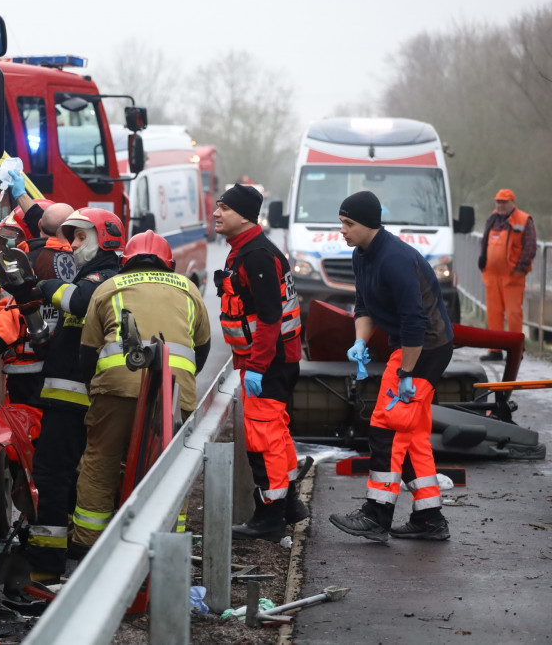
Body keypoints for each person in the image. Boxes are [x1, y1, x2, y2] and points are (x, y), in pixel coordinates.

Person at [71, 230, 211, 551]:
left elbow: (87, 352)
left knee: (101, 460)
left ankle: (87, 546)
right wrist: (182, 381)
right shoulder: (189, 289)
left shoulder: (107, 287)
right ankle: (169, 546)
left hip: (116, 389)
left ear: (125, 261)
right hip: (175, 395)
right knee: (172, 469)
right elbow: (202, 349)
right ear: (169, 263)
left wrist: (98, 392)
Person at [330, 190, 453, 542]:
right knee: (411, 433)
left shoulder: (395, 259)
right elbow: (363, 305)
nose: (343, 230)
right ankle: (429, 518)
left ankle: (376, 515)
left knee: (386, 424)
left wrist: (406, 374)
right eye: (341, 222)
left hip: (425, 348)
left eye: (348, 223)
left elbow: (415, 322)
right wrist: (359, 341)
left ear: (369, 224)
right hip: (413, 347)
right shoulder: (362, 255)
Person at [18, 207, 124, 581]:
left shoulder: (104, 277)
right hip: (67, 399)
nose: (73, 245)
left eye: (80, 237)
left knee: (53, 476)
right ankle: (61, 561)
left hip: (76, 402)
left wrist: (44, 286)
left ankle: (47, 567)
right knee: (62, 479)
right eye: (71, 237)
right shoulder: (89, 276)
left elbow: (79, 302)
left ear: (102, 238)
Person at [212, 184, 305, 541]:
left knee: (263, 439)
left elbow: (268, 319)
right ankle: (290, 504)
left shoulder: (257, 256)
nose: (217, 214)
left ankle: (269, 516)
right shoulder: (245, 251)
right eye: (217, 207)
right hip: (272, 362)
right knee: (277, 434)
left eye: (224, 208)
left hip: (268, 364)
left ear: (244, 216)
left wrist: (257, 368)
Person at [0, 199, 76, 404]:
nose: (9, 243)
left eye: (14, 236)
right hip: (71, 375)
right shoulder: (84, 264)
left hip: (27, 372)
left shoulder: (23, 266)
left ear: (36, 228)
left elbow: (10, 316)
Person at [477, 188, 536, 362]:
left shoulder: (524, 220)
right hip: (491, 276)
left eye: (503, 202)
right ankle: (494, 350)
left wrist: (520, 268)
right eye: (498, 201)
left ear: (512, 203)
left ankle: (515, 351)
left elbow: (530, 246)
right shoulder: (493, 219)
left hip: (513, 277)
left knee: (513, 314)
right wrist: (483, 260)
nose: (500, 205)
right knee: (493, 314)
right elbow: (484, 241)